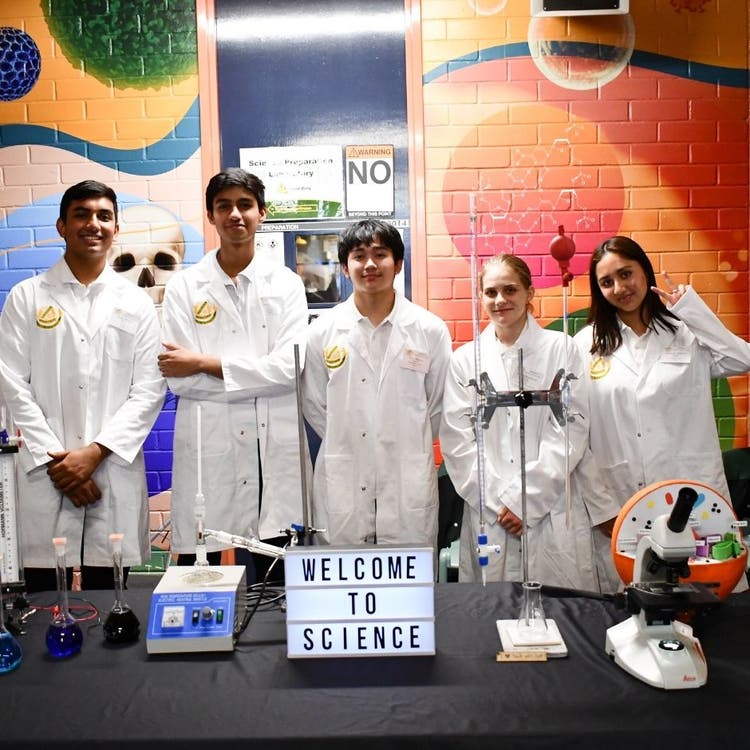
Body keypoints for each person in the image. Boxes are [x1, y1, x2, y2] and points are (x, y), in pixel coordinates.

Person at [0, 180, 165, 592]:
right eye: (82, 214)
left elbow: (148, 390)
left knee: (112, 597)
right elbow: (10, 384)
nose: (94, 224)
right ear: (61, 226)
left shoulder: (137, 303)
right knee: (39, 595)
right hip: (44, 472)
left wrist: (93, 454)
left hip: (111, 469)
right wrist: (61, 465)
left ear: (115, 228)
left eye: (104, 216)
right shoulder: (26, 297)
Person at [158, 169, 309, 583]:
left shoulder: (287, 284)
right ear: (211, 215)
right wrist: (254, 377)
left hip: (271, 446)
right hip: (211, 445)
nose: (235, 214)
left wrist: (206, 363)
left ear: (261, 213)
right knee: (198, 566)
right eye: (224, 206)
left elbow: (289, 369)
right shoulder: (185, 288)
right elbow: (178, 378)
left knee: (274, 571)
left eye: (245, 205)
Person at [575, 236, 750, 591]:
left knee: (707, 601)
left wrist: (692, 311)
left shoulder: (686, 331)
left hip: (692, 492)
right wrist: (602, 507)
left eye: (626, 274)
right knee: (634, 602)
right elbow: (578, 435)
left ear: (645, 271)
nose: (620, 288)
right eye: (606, 282)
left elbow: (742, 359)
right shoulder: (585, 345)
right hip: (624, 498)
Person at [440, 254, 597, 587]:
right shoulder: (465, 360)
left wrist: (527, 501)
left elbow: (571, 430)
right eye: (491, 292)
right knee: (490, 618)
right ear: (481, 298)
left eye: (510, 289)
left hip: (551, 510)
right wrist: (501, 503)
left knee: (560, 617)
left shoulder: (562, 349)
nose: (500, 300)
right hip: (490, 514)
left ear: (529, 292)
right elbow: (457, 443)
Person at [302, 219, 451, 549]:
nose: (369, 264)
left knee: (409, 589)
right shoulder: (322, 332)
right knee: (343, 589)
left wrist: (403, 439)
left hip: (406, 476)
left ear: (398, 264)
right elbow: (314, 404)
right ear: (344, 267)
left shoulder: (429, 330)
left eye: (380, 254)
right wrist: (352, 437)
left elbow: (439, 404)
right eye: (358, 256)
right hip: (344, 473)